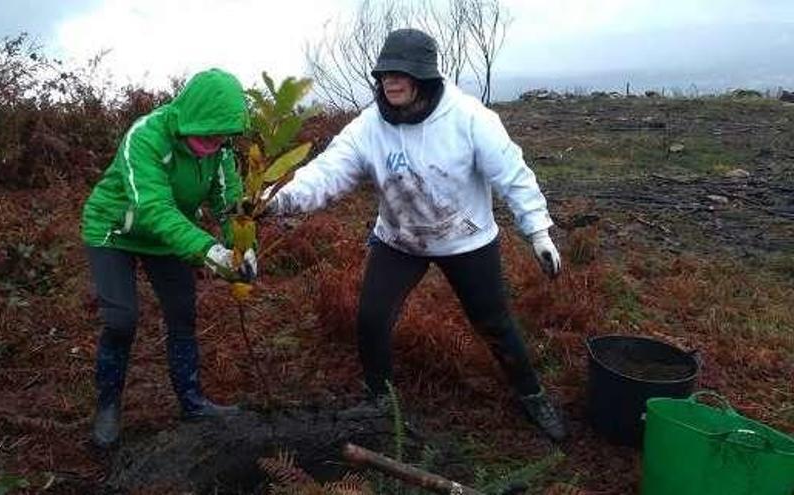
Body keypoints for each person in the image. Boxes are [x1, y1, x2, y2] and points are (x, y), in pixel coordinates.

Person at [266, 29, 566, 441]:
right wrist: (278, 199)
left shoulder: (470, 118)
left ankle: (532, 396)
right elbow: (328, 171)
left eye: (401, 73)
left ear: (423, 77)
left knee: (494, 323)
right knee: (371, 319)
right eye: (385, 73)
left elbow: (512, 175)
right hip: (400, 240)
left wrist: (538, 232)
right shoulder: (369, 126)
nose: (390, 81)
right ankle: (379, 401)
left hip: (466, 239)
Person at [80, 68, 257, 448]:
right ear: (190, 115)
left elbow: (229, 206)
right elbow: (153, 208)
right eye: (207, 134)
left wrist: (244, 247)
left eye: (221, 135)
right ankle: (108, 404)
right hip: (115, 232)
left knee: (183, 314)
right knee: (122, 320)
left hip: (169, 239)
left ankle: (192, 402)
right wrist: (210, 251)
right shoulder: (145, 137)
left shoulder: (221, 148)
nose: (213, 143)